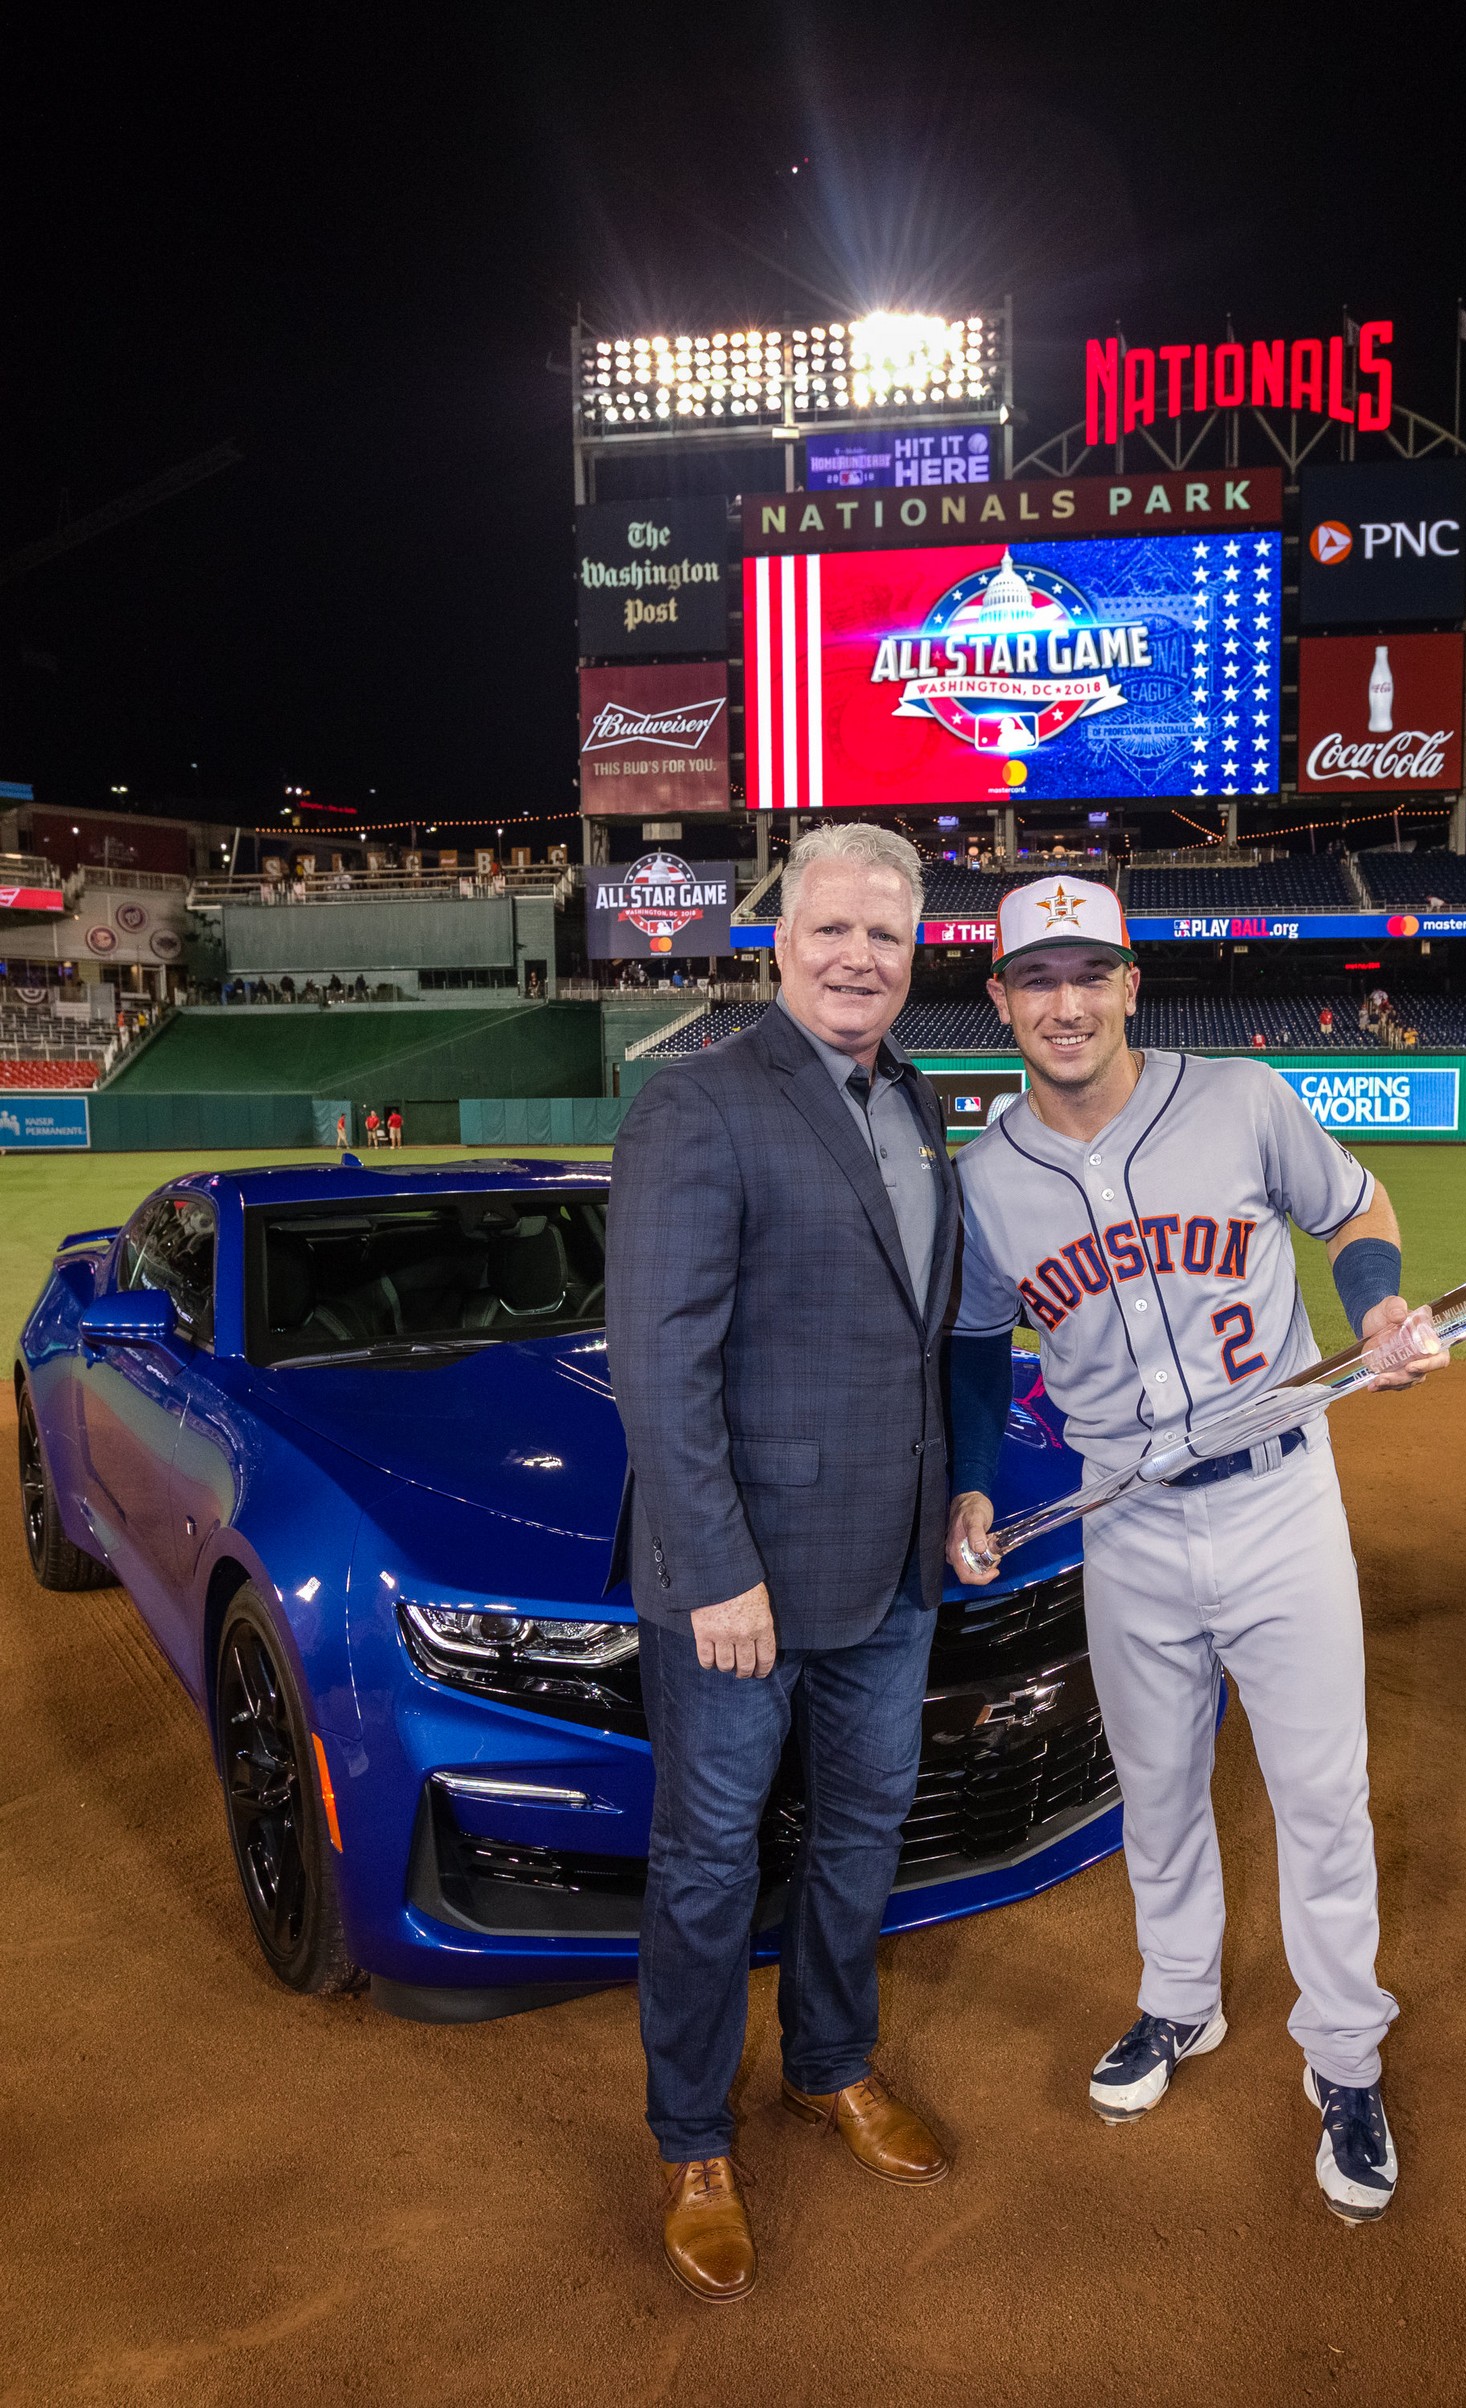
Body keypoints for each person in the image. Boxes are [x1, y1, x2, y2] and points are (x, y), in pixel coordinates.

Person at [944, 876, 1448, 2227]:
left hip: (1281, 1498)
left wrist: (1381, 1303)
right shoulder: (986, 1181)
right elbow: (980, 1343)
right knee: (1155, 1790)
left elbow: (1357, 1205)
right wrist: (975, 1485)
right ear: (1000, 1000)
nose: (1063, 1001)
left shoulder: (1239, 1099)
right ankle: (1180, 2007)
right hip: (1126, 1522)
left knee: (1320, 1797)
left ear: (1130, 985)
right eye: (1034, 978)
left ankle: (1344, 2058)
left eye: (1086, 972)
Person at [606, 823, 959, 2304]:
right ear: (777, 941)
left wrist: (952, 1498)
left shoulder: (920, 1100)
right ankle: (693, 2137)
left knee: (863, 1829)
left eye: (886, 934)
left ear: (915, 948)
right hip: (741, 1579)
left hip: (890, 1567)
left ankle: (828, 2063)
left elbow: (917, 1342)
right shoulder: (699, 1102)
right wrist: (714, 1567)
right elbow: (658, 1358)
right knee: (705, 1861)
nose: (858, 956)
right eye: (831, 930)